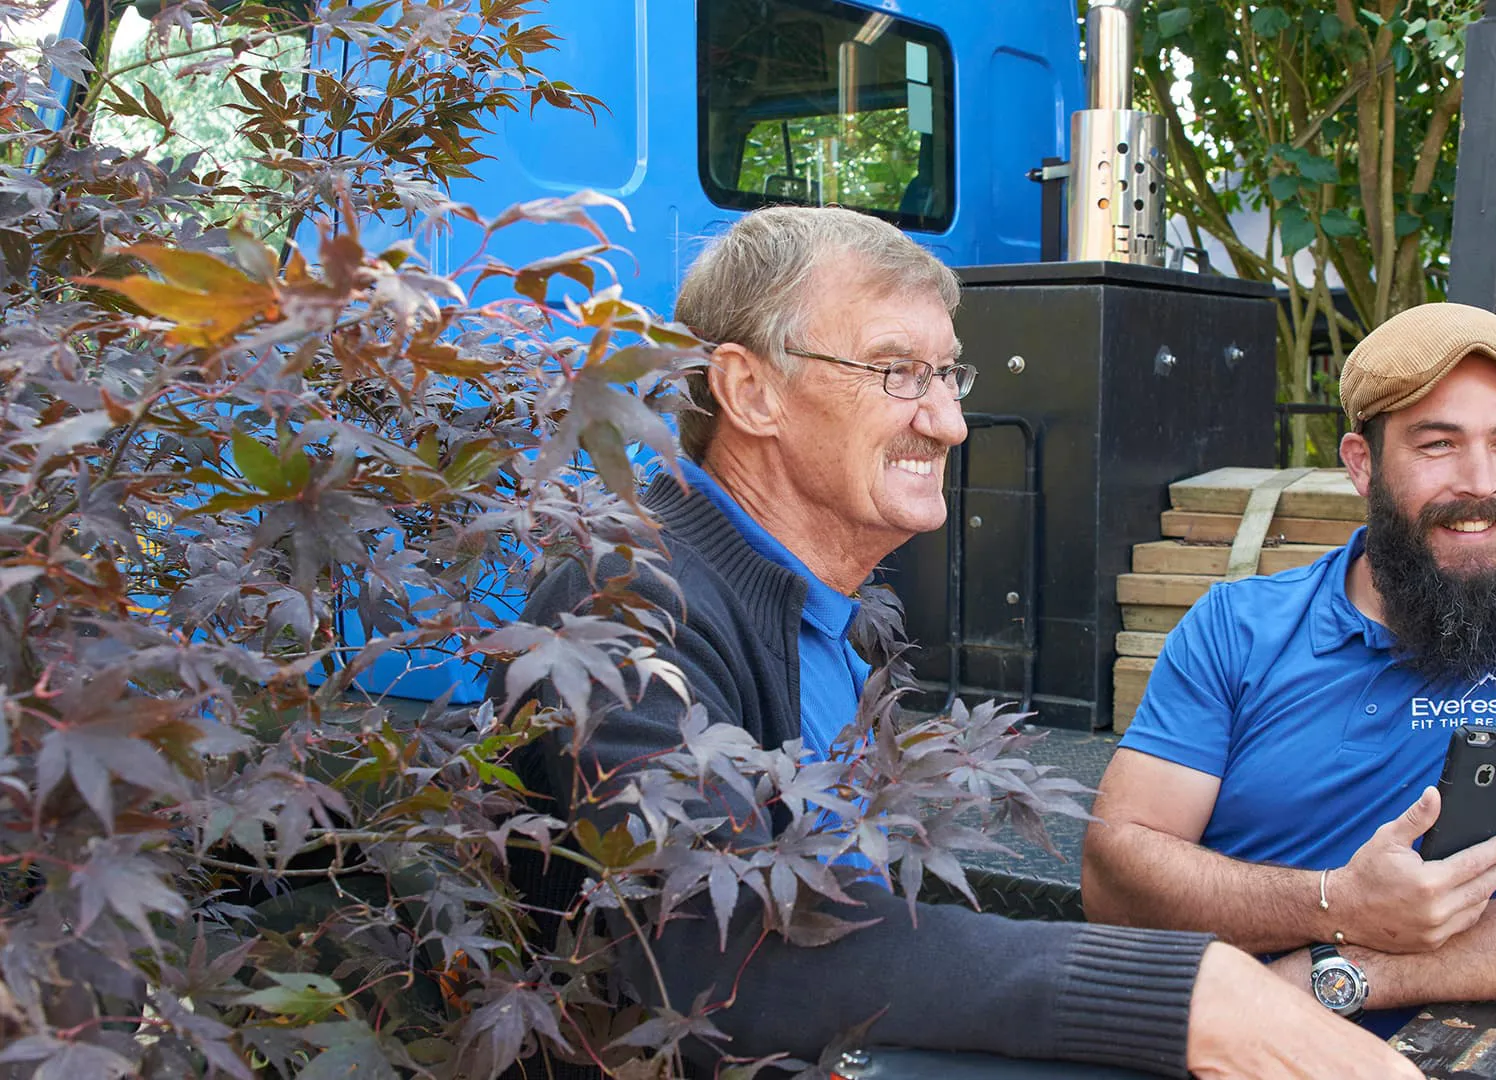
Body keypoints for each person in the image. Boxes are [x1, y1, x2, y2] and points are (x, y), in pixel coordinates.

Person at [501, 206, 1419, 1079]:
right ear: (750, 390)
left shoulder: (836, 616)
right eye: (898, 372)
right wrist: (1186, 993)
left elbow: (867, 930)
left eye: (948, 376)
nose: (947, 422)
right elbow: (713, 954)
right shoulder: (622, 606)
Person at [1080, 303, 1496, 1037]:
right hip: (1204, 1045)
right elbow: (1114, 874)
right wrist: (1335, 902)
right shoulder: (1236, 628)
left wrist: (1333, 976)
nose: (1481, 481)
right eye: (1439, 443)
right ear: (1362, 464)